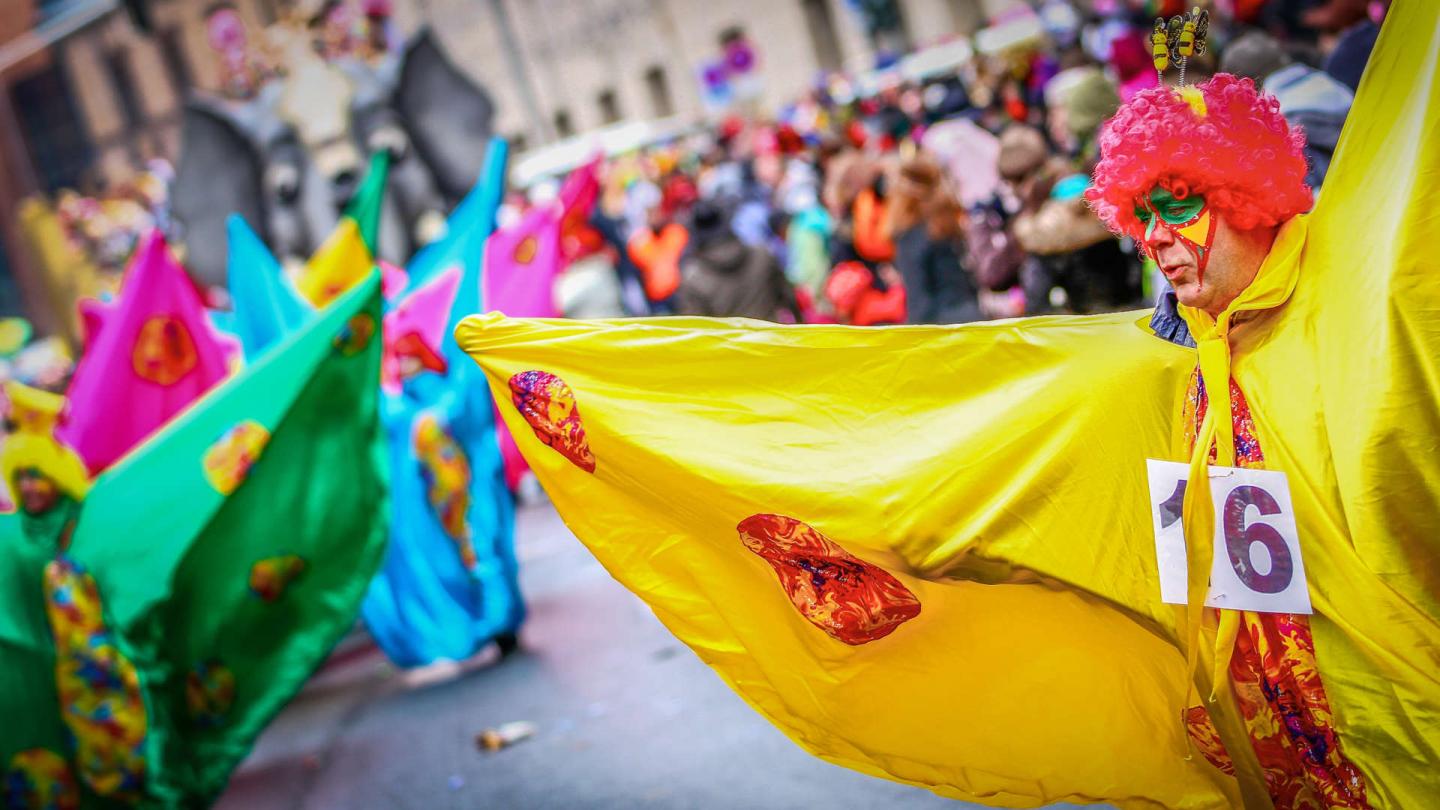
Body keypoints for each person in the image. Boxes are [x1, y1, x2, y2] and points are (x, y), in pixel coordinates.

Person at [456, 7, 1438, 807]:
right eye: (1143, 219)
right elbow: (944, 447)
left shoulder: (1361, 308)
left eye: (1184, 209)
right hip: (1288, 758)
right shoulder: (1157, 360)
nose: (1162, 244)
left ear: (1256, 195)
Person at [886, 156, 980, 324]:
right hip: (970, 317)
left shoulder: (911, 237)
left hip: (940, 326)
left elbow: (919, 298)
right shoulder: (947, 225)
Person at [674, 200, 798, 322]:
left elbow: (696, 329)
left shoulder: (692, 277)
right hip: (769, 339)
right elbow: (790, 299)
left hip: (727, 342)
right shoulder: (762, 254)